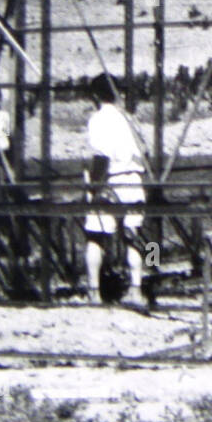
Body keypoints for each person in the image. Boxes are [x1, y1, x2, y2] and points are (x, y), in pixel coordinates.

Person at [83, 73, 147, 307]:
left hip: (110, 180)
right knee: (136, 235)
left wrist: (93, 187)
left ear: (96, 96)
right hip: (134, 179)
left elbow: (101, 157)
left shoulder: (98, 119)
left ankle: (94, 291)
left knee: (95, 236)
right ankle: (138, 287)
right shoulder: (129, 118)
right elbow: (144, 150)